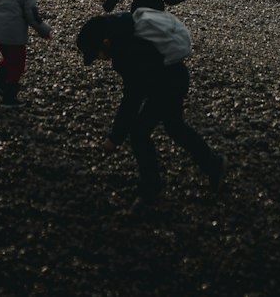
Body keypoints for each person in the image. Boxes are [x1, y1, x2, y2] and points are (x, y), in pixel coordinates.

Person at [76, 13, 225, 212]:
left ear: (105, 42)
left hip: (166, 86)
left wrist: (115, 137)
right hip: (175, 78)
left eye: (97, 54)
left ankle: (151, 193)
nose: (99, 59)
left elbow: (132, 98)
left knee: (139, 134)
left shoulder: (124, 52)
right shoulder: (127, 29)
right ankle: (214, 164)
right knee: (174, 127)